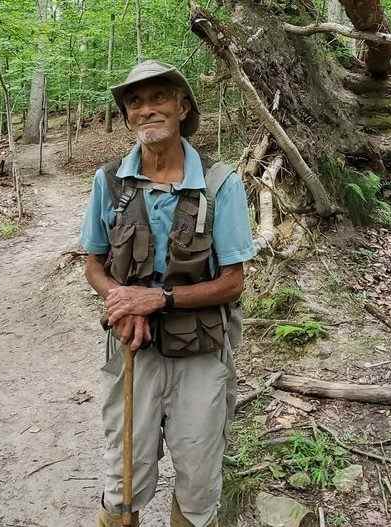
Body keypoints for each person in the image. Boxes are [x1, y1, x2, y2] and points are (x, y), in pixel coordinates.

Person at [80, 60, 255, 527]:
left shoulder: (220, 185)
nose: (146, 109)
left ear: (182, 106)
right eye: (134, 102)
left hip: (200, 352)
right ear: (126, 117)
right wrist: (121, 298)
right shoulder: (110, 181)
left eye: (159, 98)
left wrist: (157, 299)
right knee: (123, 476)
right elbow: (94, 263)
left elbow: (234, 281)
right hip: (131, 351)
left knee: (198, 475)